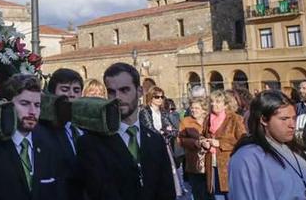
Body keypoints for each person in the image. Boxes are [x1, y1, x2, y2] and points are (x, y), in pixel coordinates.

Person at [77, 62, 174, 200]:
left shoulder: (155, 140)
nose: (117, 97)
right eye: (111, 92)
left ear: (140, 92)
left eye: (124, 90)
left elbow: (167, 192)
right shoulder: (91, 143)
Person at [0, 73, 65, 200]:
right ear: (6, 104)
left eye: (37, 105)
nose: (32, 111)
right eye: (24, 103)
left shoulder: (49, 141)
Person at [228, 90, 306, 199]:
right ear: (264, 120)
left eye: (294, 118)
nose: (292, 125)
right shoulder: (247, 157)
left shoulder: (298, 151)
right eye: (284, 119)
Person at [40, 68, 84, 200]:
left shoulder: (86, 128)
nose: (71, 94)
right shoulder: (44, 131)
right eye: (64, 89)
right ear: (53, 93)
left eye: (76, 90)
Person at [202, 89, 246, 199]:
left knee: (232, 196)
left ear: (226, 105)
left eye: (217, 102)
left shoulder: (235, 119)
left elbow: (243, 141)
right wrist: (204, 142)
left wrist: (220, 143)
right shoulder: (208, 118)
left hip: (228, 165)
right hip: (212, 164)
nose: (213, 104)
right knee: (217, 196)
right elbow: (202, 135)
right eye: (212, 101)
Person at [178, 97, 209, 200]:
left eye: (197, 108)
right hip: (194, 163)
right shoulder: (186, 122)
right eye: (192, 108)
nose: (193, 110)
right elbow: (180, 140)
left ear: (204, 109)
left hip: (210, 163)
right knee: (198, 193)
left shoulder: (210, 120)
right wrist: (195, 143)